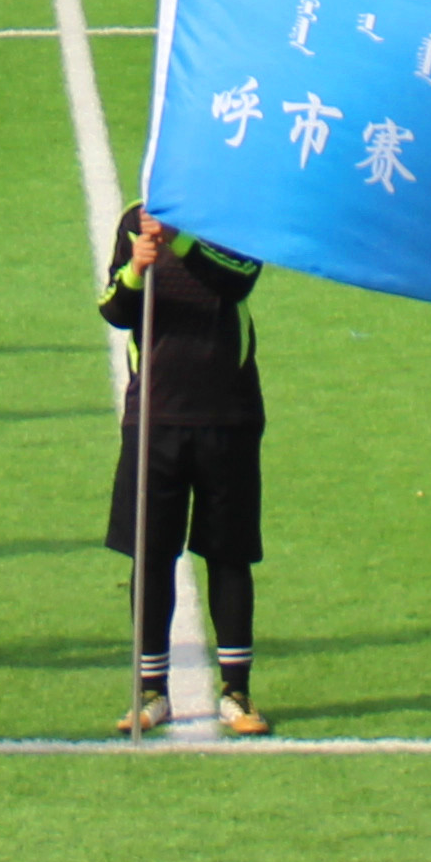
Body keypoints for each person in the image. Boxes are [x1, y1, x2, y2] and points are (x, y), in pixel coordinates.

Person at [102, 205, 271, 737]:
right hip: (155, 418)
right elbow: (113, 307)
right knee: (151, 556)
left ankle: (236, 692)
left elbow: (238, 280)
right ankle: (151, 691)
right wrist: (135, 267)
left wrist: (179, 244)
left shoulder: (232, 215)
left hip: (229, 416)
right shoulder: (137, 219)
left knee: (228, 555)